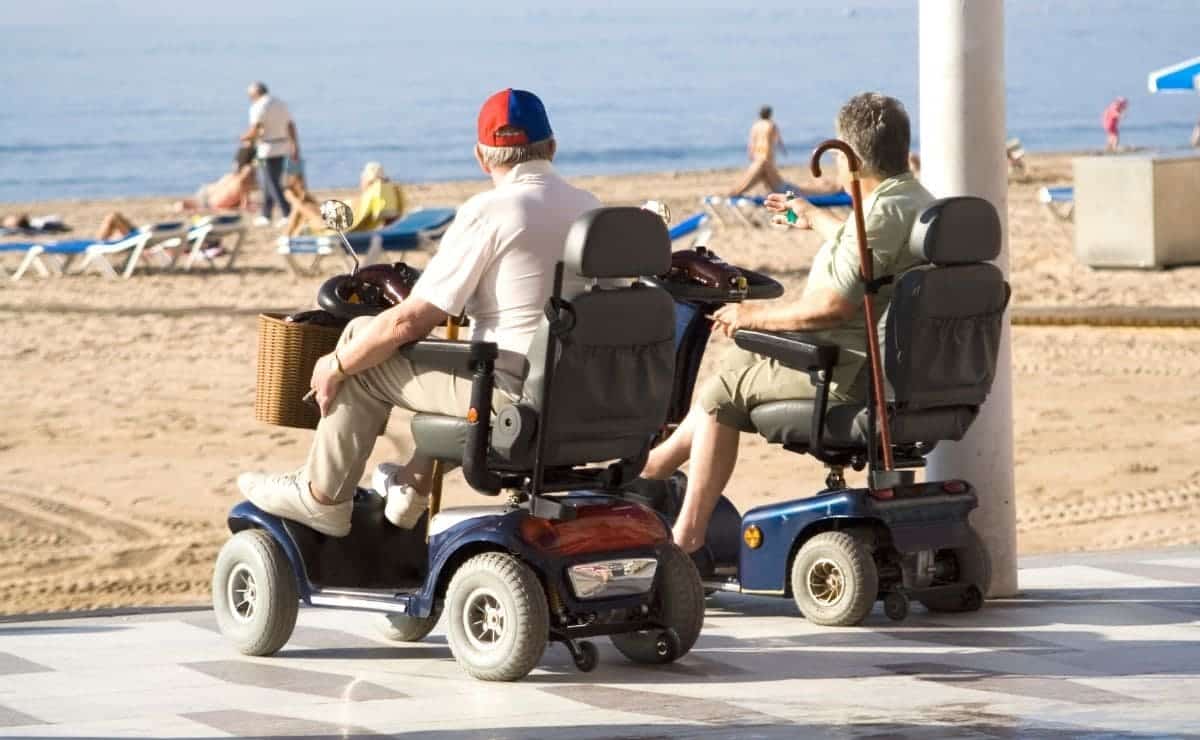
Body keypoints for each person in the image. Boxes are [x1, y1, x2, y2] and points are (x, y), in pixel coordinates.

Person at [236, 88, 602, 537]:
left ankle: (322, 496)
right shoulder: (591, 209)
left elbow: (411, 320)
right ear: (552, 147)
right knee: (464, 352)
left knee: (361, 343)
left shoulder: (491, 210)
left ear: (482, 158)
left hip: (514, 398)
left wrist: (334, 364)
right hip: (586, 393)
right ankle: (412, 483)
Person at [639, 92, 934, 556]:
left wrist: (752, 314)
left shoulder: (875, 219)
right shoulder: (913, 201)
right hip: (892, 366)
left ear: (848, 157)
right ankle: (655, 467)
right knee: (740, 355)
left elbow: (833, 307)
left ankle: (684, 536)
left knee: (722, 395)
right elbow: (872, 255)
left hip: (844, 371)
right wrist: (815, 220)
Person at [281, 162, 407, 238]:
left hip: (333, 225)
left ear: (368, 181)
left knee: (299, 202)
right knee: (304, 199)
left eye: (363, 178)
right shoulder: (373, 198)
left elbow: (348, 222)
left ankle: (286, 240)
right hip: (337, 218)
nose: (361, 181)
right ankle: (287, 238)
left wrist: (292, 199)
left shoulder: (370, 198)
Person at [241, 81, 301, 227]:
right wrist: (294, 145)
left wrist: (244, 137)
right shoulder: (280, 103)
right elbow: (290, 125)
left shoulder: (258, 107)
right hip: (283, 146)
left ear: (255, 94)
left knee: (272, 182)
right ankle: (266, 214)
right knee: (268, 181)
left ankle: (286, 213)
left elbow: (255, 128)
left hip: (266, 149)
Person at [174, 144, 258, 213]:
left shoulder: (233, 175)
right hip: (212, 202)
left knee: (185, 204)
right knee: (189, 205)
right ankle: (181, 206)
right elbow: (244, 203)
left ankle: (181, 206)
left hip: (207, 191)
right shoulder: (244, 177)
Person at [729, 105, 788, 196]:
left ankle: (767, 191)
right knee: (768, 171)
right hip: (767, 151)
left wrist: (750, 152)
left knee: (759, 171)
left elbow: (752, 141)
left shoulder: (756, 125)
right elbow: (778, 139)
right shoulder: (771, 125)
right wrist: (783, 150)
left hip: (758, 151)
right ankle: (769, 191)